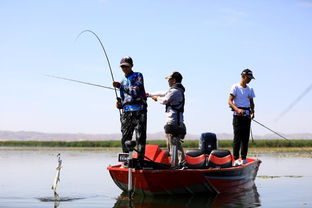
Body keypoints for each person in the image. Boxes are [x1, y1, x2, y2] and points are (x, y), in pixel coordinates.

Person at [147, 71, 186, 168]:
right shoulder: (176, 90)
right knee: (175, 143)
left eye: (169, 79)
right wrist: (149, 94)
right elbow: (162, 93)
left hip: (173, 122)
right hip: (177, 121)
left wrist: (156, 99)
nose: (168, 81)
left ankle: (176, 164)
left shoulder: (175, 91)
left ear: (174, 80)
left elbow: (164, 100)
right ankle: (181, 162)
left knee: (172, 144)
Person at [112, 56, 147, 161]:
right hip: (126, 112)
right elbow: (124, 99)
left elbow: (136, 92)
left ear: (131, 65)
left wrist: (120, 87)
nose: (124, 68)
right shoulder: (122, 81)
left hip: (139, 110)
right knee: (125, 138)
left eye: (126, 66)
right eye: (122, 66)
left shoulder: (138, 76)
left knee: (140, 138)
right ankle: (126, 161)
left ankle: (140, 161)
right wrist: (120, 105)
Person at [228, 69, 255, 166]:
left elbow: (251, 103)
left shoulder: (250, 89)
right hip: (237, 116)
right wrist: (237, 110)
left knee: (245, 138)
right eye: (248, 78)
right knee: (237, 138)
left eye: (251, 79)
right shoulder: (235, 87)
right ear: (243, 77)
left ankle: (243, 158)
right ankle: (235, 159)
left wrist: (252, 112)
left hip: (247, 115)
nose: (249, 80)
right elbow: (230, 101)